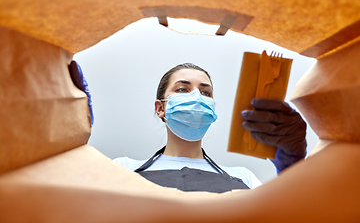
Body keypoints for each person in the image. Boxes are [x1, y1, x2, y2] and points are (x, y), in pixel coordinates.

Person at [69, 61, 307, 193]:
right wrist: (69, 139)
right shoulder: (121, 169)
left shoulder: (243, 177)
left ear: (213, 109)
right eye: (182, 89)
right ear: (160, 108)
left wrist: (293, 169)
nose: (197, 97)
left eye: (206, 92)